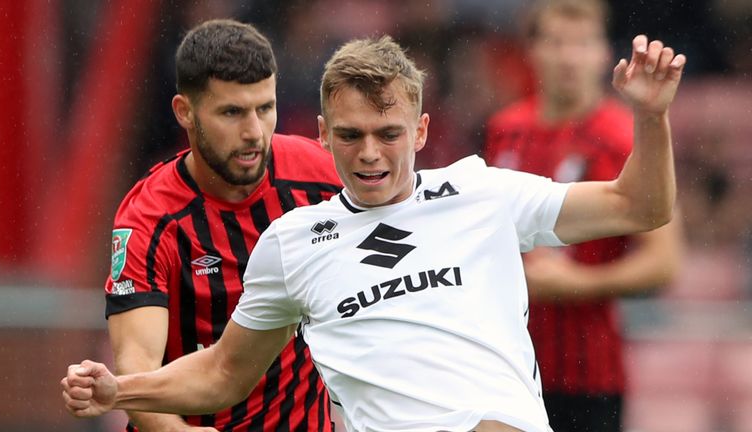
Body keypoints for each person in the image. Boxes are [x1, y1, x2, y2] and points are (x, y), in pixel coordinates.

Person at [62, 33, 685, 432]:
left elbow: (640, 207)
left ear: (419, 132)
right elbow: (223, 373)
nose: (370, 154)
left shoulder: (482, 192)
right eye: (350, 135)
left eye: (388, 134)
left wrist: (652, 119)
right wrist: (123, 390)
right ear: (323, 132)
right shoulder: (294, 241)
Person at [102, 19, 340, 432]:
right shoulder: (150, 218)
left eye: (265, 109)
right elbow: (136, 368)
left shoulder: (322, 178)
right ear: (185, 113)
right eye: (232, 112)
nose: (254, 133)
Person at [481, 2, 681, 431]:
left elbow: (664, 262)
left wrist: (578, 284)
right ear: (531, 51)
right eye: (555, 42)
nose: (568, 57)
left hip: (589, 375)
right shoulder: (505, 128)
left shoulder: (627, 136)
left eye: (581, 43)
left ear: (603, 52)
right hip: (505, 366)